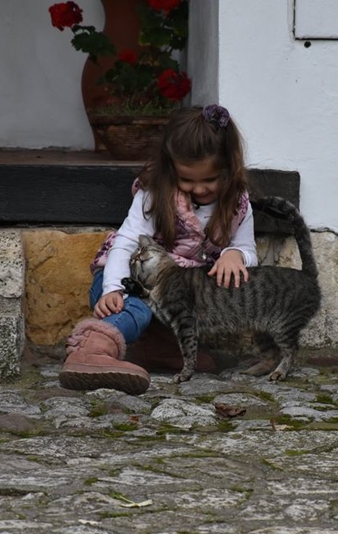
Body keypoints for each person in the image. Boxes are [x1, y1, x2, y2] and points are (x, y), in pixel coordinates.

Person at [59, 104, 257, 395]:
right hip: (130, 280)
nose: (200, 189)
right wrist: (113, 288)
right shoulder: (155, 195)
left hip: (174, 289)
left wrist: (235, 254)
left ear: (229, 167)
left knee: (192, 302)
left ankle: (157, 349)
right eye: (187, 180)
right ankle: (91, 350)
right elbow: (126, 242)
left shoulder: (237, 204)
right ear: (171, 167)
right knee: (136, 307)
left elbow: (247, 247)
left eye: (210, 180)